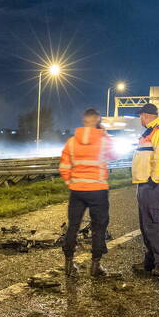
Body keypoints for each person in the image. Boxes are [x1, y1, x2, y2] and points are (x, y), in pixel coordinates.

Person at [58, 108, 113, 278]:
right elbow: (114, 155)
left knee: (73, 226)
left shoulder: (72, 141)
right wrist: (104, 133)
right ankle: (95, 266)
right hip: (97, 190)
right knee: (99, 227)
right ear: (97, 120)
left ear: (84, 120)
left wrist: (71, 182)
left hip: (77, 190)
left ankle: (68, 263)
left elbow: (64, 166)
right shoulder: (103, 140)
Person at [131, 102, 159, 277]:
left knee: (153, 225)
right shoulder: (149, 132)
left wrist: (153, 179)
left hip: (154, 184)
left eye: (141, 115)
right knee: (145, 225)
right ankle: (150, 261)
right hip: (144, 183)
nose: (140, 118)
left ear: (146, 115)